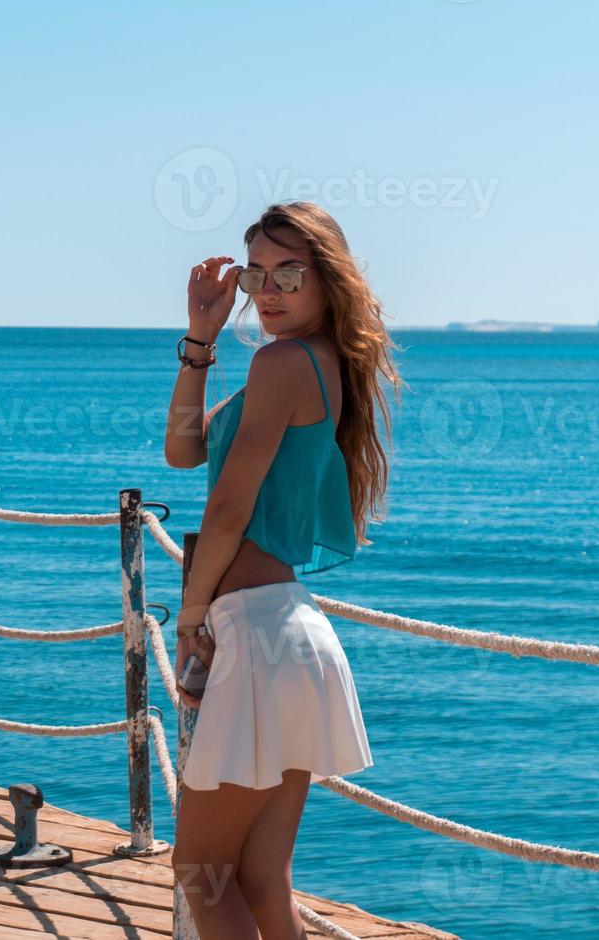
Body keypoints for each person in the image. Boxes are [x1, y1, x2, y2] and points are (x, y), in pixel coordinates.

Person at [162, 201, 402, 938]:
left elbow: (229, 509)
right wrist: (200, 341)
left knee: (200, 875)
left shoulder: (283, 362)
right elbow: (184, 450)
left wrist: (194, 618)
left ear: (327, 279)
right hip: (292, 636)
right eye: (257, 274)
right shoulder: (309, 363)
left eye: (289, 273)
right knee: (261, 879)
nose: (268, 290)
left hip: (256, 632)